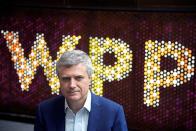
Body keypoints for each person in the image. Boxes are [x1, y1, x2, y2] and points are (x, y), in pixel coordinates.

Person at [34, 50, 128, 131]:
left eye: (78, 78)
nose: (72, 85)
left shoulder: (113, 112)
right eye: (66, 79)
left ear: (90, 79)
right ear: (59, 80)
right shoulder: (44, 111)